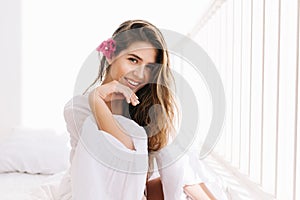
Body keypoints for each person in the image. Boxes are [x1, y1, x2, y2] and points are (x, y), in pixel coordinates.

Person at [58, 19, 227, 200]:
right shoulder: (78, 108)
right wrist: (96, 98)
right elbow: (123, 153)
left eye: (149, 68)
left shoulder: (141, 107)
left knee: (177, 159)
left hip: (134, 191)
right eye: (133, 60)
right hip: (92, 191)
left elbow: (143, 176)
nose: (139, 74)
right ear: (110, 55)